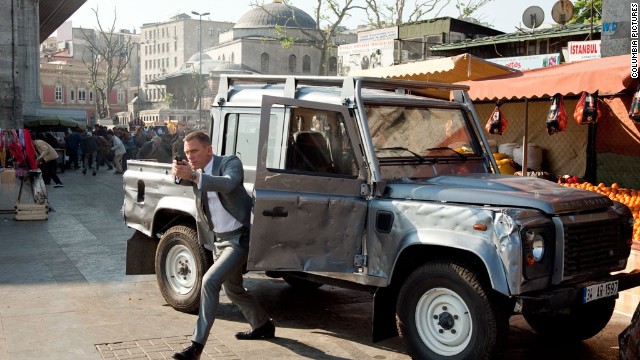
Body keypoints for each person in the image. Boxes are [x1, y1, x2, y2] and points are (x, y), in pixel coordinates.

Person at [171, 131, 275, 360]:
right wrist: (180, 173)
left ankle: (196, 346)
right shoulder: (195, 171)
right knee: (234, 290)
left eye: (195, 151)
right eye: (187, 153)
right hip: (218, 240)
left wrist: (195, 177)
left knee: (209, 282)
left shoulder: (229, 162)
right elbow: (181, 179)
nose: (190, 156)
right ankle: (263, 325)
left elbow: (228, 184)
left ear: (209, 149)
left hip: (239, 239)